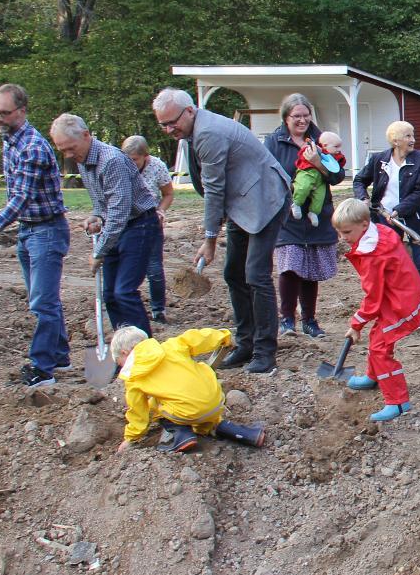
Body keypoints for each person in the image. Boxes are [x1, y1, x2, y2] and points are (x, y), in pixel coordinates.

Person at [152, 87, 291, 376]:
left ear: (189, 111)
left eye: (171, 122)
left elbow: (214, 188)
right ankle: (246, 343)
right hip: (241, 202)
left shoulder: (208, 134)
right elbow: (211, 185)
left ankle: (265, 352)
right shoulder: (194, 131)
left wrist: (210, 239)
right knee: (233, 273)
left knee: (256, 275)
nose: (168, 129)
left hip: (266, 198)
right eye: (162, 124)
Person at [0, 84, 70, 387]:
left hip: (47, 231)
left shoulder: (32, 148)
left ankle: (42, 369)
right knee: (42, 299)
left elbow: (21, 198)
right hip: (29, 230)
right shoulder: (10, 141)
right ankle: (60, 355)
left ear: (22, 111)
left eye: (5, 112)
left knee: (43, 303)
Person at [49, 113, 160, 333]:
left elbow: (119, 211)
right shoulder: (84, 161)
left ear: (86, 135)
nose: (69, 155)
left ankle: (145, 352)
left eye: (71, 148)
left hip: (139, 226)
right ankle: (124, 349)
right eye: (62, 151)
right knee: (109, 295)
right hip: (118, 227)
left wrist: (99, 252)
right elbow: (103, 202)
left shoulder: (111, 160)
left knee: (124, 292)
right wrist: (97, 216)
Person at [333, 199, 420, 422]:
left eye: (347, 232)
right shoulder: (381, 233)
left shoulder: (372, 255)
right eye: (339, 232)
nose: (343, 238)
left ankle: (397, 401)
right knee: (377, 337)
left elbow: (373, 297)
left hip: (401, 304)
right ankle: (373, 375)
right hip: (399, 295)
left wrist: (356, 324)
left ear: (364, 225)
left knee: (379, 348)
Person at [112, 325, 266, 453]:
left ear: (125, 353)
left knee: (154, 406)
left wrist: (131, 438)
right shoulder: (172, 345)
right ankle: (243, 433)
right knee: (201, 411)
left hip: (188, 412)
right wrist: (223, 337)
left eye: (120, 363)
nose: (122, 368)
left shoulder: (133, 377)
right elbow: (200, 337)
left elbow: (138, 413)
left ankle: (182, 435)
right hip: (215, 400)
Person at [265, 95, 344, 339]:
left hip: (317, 215)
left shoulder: (322, 140)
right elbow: (268, 173)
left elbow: (337, 176)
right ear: (286, 118)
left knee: (310, 268)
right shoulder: (274, 142)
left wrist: (318, 163)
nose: (302, 120)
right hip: (288, 214)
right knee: (290, 266)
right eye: (296, 116)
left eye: (305, 115)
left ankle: (309, 320)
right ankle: (287, 319)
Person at [352, 120, 420, 330]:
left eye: (413, 135)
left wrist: (400, 209)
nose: (413, 140)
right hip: (383, 220)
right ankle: (398, 309)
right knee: (391, 266)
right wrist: (363, 198)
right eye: (408, 136)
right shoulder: (379, 160)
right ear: (395, 140)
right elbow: (359, 180)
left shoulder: (419, 160)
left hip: (413, 218)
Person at [122, 135, 175, 324]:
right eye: (128, 159)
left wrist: (161, 210)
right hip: (126, 222)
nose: (131, 163)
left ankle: (158, 309)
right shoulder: (119, 166)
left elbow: (168, 194)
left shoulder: (157, 166)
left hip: (150, 221)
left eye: (135, 160)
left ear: (146, 156)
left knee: (154, 268)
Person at [290, 130, 346, 227]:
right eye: (336, 147)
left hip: (320, 180)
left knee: (320, 196)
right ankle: (296, 203)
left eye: (339, 147)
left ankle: (314, 212)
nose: (339, 149)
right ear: (324, 145)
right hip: (308, 172)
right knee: (303, 186)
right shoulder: (314, 148)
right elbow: (302, 155)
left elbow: (339, 173)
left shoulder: (335, 156)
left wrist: (339, 159)